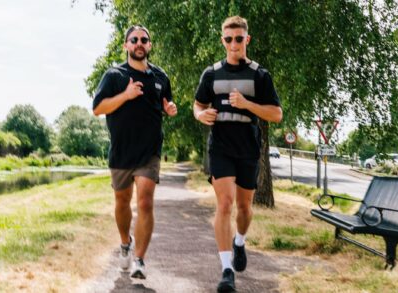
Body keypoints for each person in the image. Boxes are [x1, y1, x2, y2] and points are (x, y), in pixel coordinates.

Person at [193, 16, 282, 292]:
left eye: (239, 38)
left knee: (244, 208)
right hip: (220, 146)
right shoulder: (211, 74)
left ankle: (239, 242)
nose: (234, 44)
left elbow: (276, 114)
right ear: (223, 41)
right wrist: (201, 115)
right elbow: (197, 105)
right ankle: (227, 270)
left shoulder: (260, 75)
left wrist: (247, 103)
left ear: (247, 40)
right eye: (228, 39)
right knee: (225, 204)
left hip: (247, 147)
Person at [92, 24, 177, 279]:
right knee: (122, 202)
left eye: (144, 40)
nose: (139, 43)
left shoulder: (160, 77)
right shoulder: (114, 75)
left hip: (149, 150)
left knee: (145, 201)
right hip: (121, 150)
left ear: (149, 45)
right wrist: (126, 95)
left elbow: (165, 104)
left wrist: (169, 109)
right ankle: (125, 242)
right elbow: (98, 108)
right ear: (126, 45)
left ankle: (139, 259)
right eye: (134, 39)